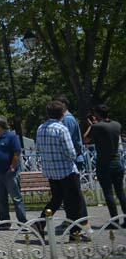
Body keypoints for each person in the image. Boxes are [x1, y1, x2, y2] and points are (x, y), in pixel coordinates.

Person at [36, 100, 89, 240]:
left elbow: (39, 148)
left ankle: (40, 223)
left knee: (56, 200)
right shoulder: (61, 128)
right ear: (62, 114)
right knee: (75, 203)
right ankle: (75, 233)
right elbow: (71, 153)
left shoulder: (41, 128)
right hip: (66, 171)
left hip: (51, 171)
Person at [85, 104, 126, 225]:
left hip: (104, 164)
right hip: (117, 162)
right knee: (120, 193)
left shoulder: (97, 126)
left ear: (97, 114)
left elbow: (86, 139)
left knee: (108, 193)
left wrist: (91, 125)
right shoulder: (117, 125)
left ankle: (114, 220)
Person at [0, 116, 28, 227]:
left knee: (16, 197)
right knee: (1, 199)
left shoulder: (12, 136)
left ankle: (23, 223)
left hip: (9, 173)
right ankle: (4, 223)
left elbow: (17, 153)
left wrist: (12, 168)